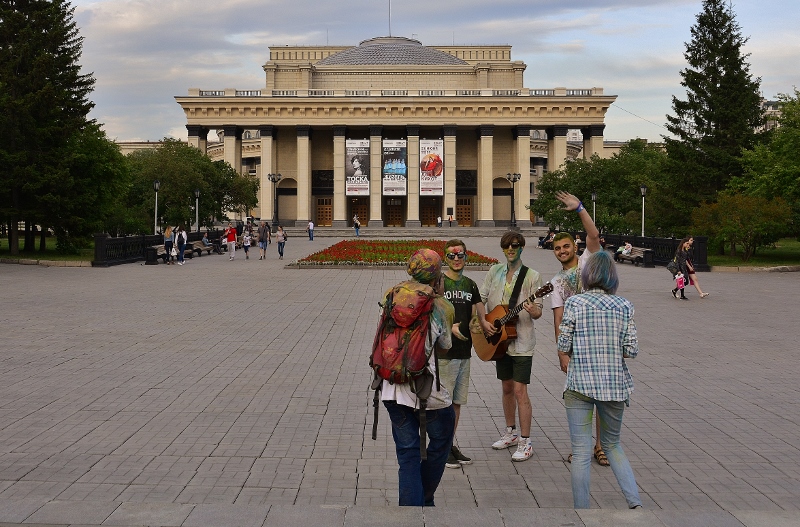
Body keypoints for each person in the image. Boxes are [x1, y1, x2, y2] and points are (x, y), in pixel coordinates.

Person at [556, 250, 642, 510]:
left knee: (581, 452)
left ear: (587, 274)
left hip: (579, 385)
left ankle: (582, 511)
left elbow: (563, 344)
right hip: (614, 387)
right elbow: (631, 350)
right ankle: (635, 503)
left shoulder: (575, 303)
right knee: (613, 445)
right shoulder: (624, 306)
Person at [380, 248, 455, 507]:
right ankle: (424, 499)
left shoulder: (391, 295)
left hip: (391, 386)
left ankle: (411, 510)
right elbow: (444, 348)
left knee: (407, 455)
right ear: (437, 276)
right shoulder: (441, 306)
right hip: (428, 391)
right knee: (442, 440)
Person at [549, 191, 609, 467]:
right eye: (557, 249)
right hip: (576, 346)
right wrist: (562, 352)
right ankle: (582, 447)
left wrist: (580, 209)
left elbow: (594, 236)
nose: (562, 251)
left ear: (574, 246)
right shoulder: (556, 282)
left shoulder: (587, 261)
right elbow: (558, 319)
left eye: (566, 246)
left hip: (600, 340)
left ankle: (601, 446)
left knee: (603, 397)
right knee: (580, 400)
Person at [479, 231, 544, 462]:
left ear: (521, 248)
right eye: (507, 246)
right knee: (506, 388)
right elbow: (481, 299)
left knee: (519, 390)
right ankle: (511, 433)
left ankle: (526, 441)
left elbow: (538, 311)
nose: (510, 249)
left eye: (515, 246)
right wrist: (483, 322)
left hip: (522, 341)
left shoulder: (532, 276)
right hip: (500, 341)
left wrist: (533, 310)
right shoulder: (494, 271)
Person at [439, 239, 486, 469]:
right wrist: (449, 328)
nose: (456, 259)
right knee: (443, 404)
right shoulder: (439, 283)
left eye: (460, 255)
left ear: (466, 257)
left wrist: (482, 325)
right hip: (444, 354)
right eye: (451, 256)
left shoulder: (471, 285)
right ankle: (440, 449)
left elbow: (479, 315)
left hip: (464, 352)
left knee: (457, 402)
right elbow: (431, 313)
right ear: (445, 258)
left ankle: (448, 445)